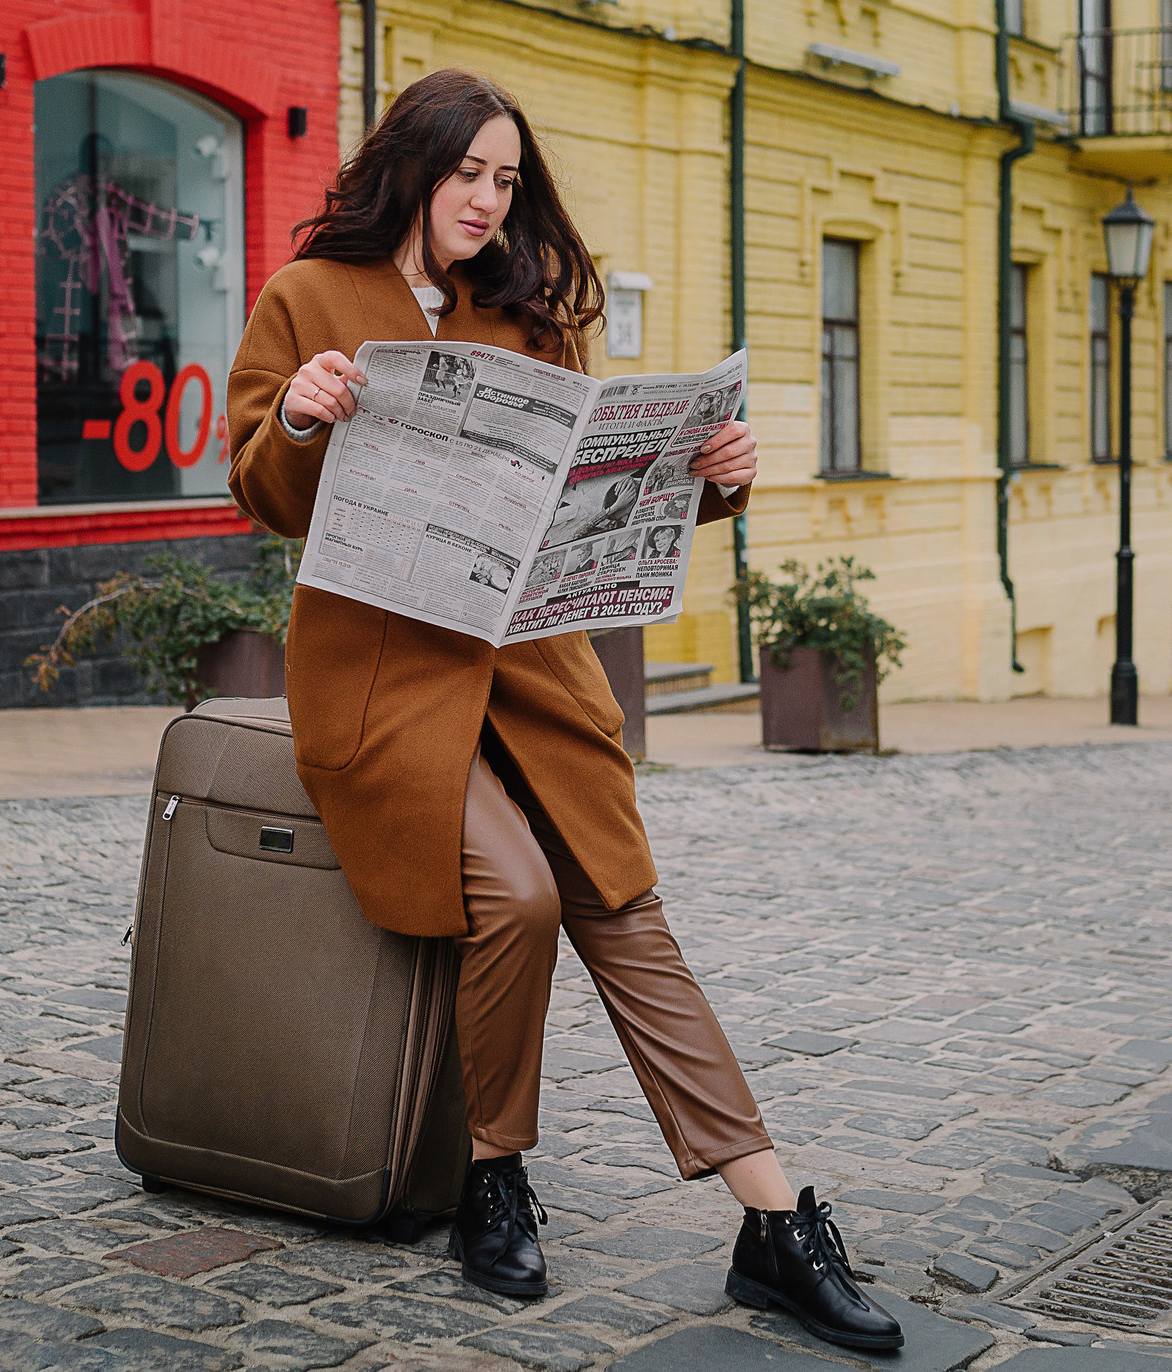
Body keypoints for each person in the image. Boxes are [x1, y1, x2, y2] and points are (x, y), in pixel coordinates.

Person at [226, 69, 902, 1353]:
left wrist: (702, 481)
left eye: (506, 178)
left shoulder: (533, 316)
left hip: (534, 675)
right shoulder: (308, 298)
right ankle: (494, 1170)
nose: (488, 200)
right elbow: (261, 491)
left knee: (630, 921)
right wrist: (304, 420)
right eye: (467, 173)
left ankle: (774, 1225)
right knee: (520, 895)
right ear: (412, 169)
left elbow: (583, 502)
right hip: (384, 683)